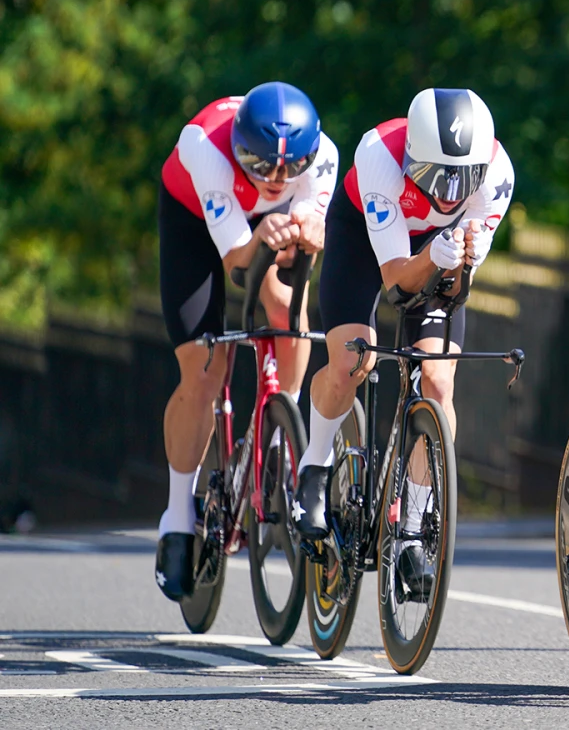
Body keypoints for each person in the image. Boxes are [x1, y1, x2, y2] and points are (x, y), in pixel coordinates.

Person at [294, 88, 513, 598]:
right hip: (364, 237)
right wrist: (435, 255)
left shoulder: (498, 175)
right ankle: (314, 465)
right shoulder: (379, 156)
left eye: (463, 178)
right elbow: (396, 283)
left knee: (437, 381)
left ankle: (413, 525)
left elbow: (453, 292)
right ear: (412, 157)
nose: (450, 193)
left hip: (436, 247)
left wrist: (459, 263)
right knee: (352, 360)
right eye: (435, 175)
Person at [155, 82, 339, 600]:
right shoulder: (206, 150)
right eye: (261, 165)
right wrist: (263, 233)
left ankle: (282, 426)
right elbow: (237, 260)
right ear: (239, 149)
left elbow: (310, 233)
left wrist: (310, 230)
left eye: (290, 168)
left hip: (265, 223)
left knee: (288, 309)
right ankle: (177, 513)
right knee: (204, 371)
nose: (277, 178)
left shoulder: (324, 157)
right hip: (197, 220)